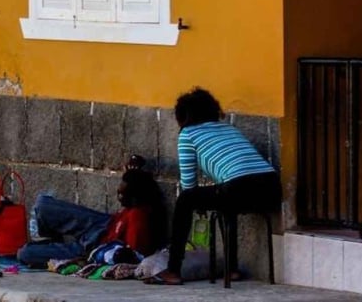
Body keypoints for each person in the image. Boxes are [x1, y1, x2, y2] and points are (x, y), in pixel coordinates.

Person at [145, 87, 280, 286]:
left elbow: (189, 184)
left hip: (238, 188)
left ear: (182, 116)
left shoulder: (188, 135)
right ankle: (231, 269)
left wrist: (197, 203)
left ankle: (173, 270)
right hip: (271, 187)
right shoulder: (229, 128)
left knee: (185, 200)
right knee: (226, 202)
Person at [17, 164, 167, 268]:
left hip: (94, 247)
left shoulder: (138, 217)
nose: (119, 197)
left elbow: (134, 254)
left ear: (135, 197)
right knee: (43, 205)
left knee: (25, 253)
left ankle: (52, 246)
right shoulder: (132, 207)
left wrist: (94, 257)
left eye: (122, 195)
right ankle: (51, 239)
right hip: (102, 224)